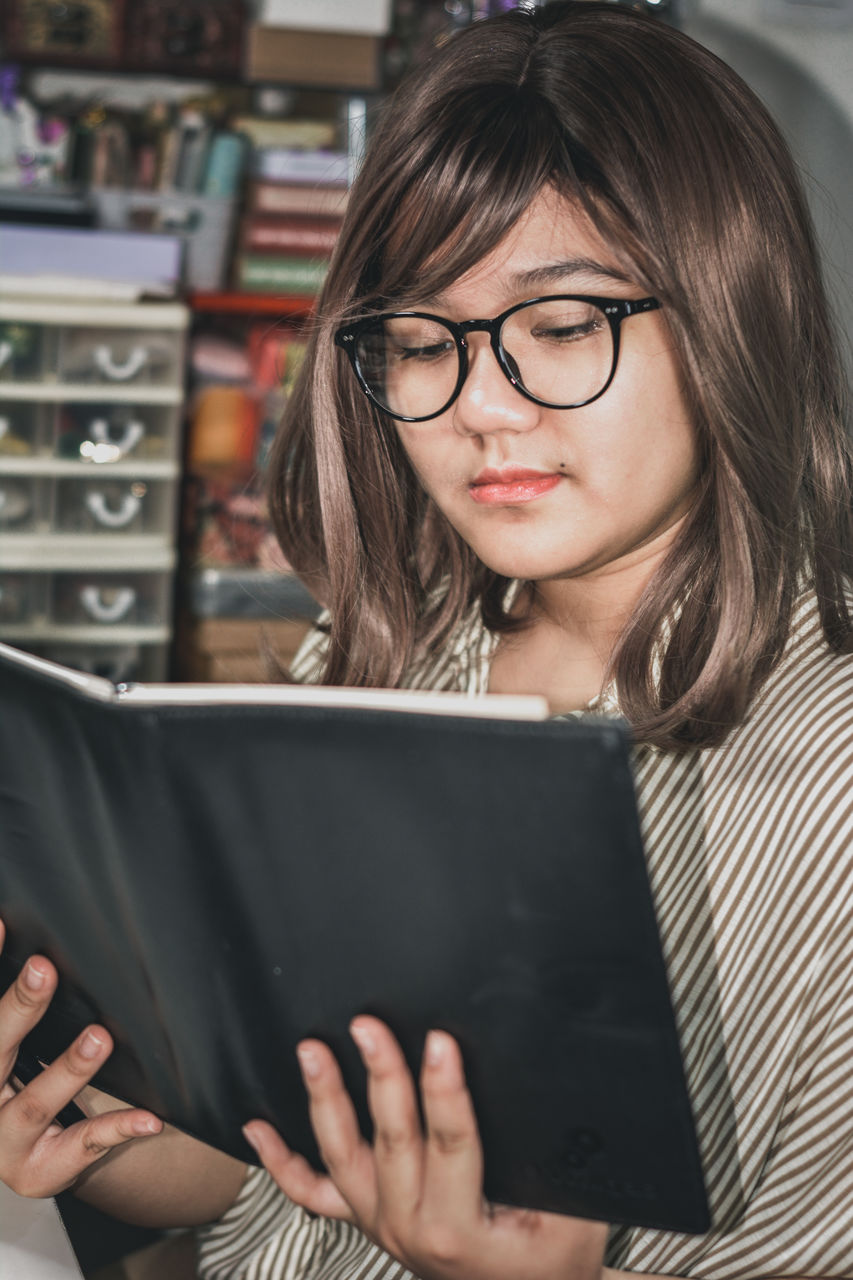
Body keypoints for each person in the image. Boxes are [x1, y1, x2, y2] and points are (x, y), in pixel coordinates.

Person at [1, 3, 852, 1278]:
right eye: (416, 341)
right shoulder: (384, 648)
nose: (480, 406)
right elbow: (267, 1174)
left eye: (560, 325)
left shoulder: (825, 773)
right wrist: (71, 1105)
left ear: (733, 311)